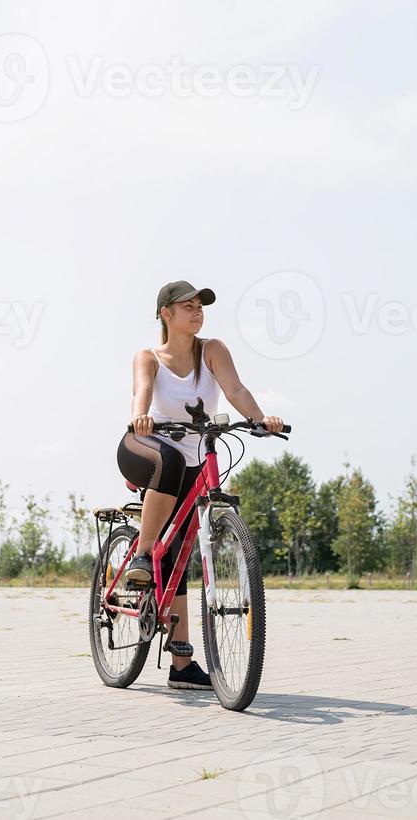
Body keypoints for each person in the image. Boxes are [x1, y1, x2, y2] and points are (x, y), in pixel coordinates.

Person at [116, 280, 283, 691]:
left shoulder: (213, 350)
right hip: (145, 446)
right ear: (166, 314)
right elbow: (142, 392)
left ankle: (182, 666)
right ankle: (140, 557)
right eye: (187, 306)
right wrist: (141, 417)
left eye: (200, 307)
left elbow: (235, 389)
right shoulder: (149, 356)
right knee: (170, 460)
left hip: (194, 458)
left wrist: (261, 419)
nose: (197, 312)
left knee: (181, 551)